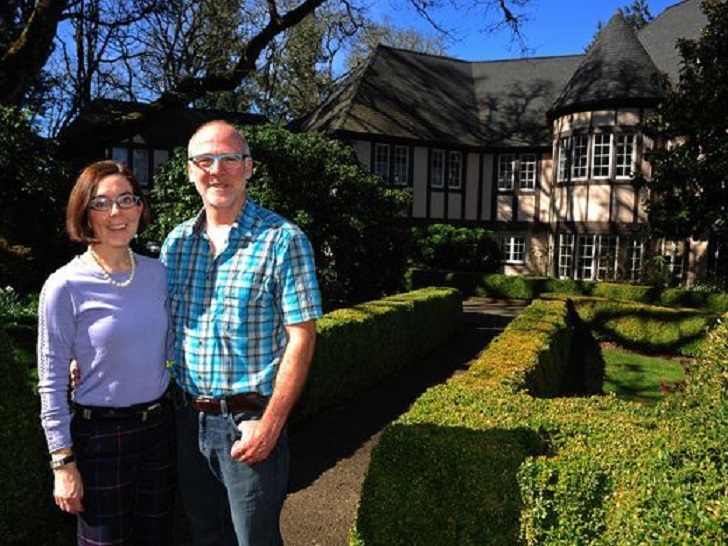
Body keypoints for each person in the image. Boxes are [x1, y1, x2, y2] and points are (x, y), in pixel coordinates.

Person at [160, 120, 322, 546]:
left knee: (254, 538)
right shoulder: (175, 243)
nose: (218, 170)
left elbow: (302, 337)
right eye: (205, 160)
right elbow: (161, 328)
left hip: (249, 422)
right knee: (204, 534)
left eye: (229, 158)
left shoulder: (283, 240)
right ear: (190, 170)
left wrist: (271, 423)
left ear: (248, 167)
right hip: (186, 417)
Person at [37, 160, 176, 546]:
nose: (117, 212)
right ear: (84, 212)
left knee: (157, 538)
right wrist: (63, 463)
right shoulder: (64, 286)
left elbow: (171, 346)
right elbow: (50, 383)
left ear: (140, 208)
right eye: (102, 203)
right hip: (99, 440)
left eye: (126, 199)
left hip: (158, 431)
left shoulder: (158, 273)